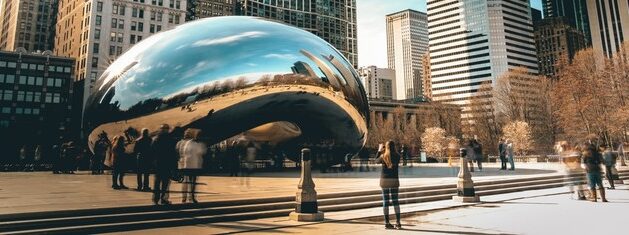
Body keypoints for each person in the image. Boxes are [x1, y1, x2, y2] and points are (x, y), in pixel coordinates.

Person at [375, 141, 402, 230]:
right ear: (394, 147)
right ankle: (398, 222)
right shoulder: (397, 156)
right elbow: (395, 156)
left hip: (384, 181)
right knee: (395, 201)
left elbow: (375, 161)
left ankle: (387, 222)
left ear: (385, 147)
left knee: (385, 201)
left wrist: (379, 151)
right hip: (394, 180)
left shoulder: (382, 156)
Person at [177, 129, 206, 203]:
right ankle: (190, 197)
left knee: (188, 182)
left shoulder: (188, 143)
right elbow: (201, 152)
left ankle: (186, 198)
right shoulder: (195, 144)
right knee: (191, 182)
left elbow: (183, 152)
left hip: (188, 165)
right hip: (192, 165)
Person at [152, 124, 177, 205]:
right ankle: (163, 199)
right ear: (167, 130)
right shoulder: (170, 139)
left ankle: (155, 199)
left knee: (157, 182)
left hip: (158, 163)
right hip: (167, 163)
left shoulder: (155, 139)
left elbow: (151, 152)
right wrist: (174, 165)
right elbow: (173, 153)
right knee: (165, 183)